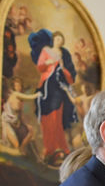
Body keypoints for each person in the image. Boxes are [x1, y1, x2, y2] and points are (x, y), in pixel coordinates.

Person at [28, 29, 79, 165]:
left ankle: (61, 146)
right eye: (57, 39)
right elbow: (40, 67)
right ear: (53, 40)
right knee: (47, 116)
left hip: (58, 87)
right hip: (47, 85)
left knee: (57, 115)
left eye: (61, 40)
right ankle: (50, 147)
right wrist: (48, 62)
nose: (59, 42)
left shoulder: (64, 54)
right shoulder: (46, 51)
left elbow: (70, 77)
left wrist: (62, 67)